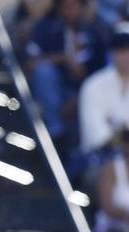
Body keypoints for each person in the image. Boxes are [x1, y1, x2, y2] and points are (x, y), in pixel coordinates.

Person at [25, 0, 109, 149]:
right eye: (65, 7)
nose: (69, 11)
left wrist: (78, 98)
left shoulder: (95, 31)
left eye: (74, 7)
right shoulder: (45, 28)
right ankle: (56, 132)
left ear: (83, 8)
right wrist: (64, 59)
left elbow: (103, 75)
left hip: (84, 94)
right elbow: (30, 63)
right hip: (54, 94)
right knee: (44, 72)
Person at [78, 23, 129, 165]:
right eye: (121, 49)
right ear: (112, 52)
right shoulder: (93, 85)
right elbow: (98, 138)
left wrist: (120, 130)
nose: (126, 55)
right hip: (100, 162)